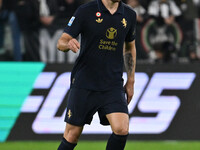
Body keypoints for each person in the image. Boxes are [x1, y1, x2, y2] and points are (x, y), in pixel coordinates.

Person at [57, 0, 137, 149]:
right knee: (71, 135)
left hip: (112, 84)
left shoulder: (130, 14)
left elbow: (129, 47)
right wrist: (67, 44)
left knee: (122, 129)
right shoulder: (86, 11)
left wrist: (131, 80)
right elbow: (61, 41)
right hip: (84, 82)